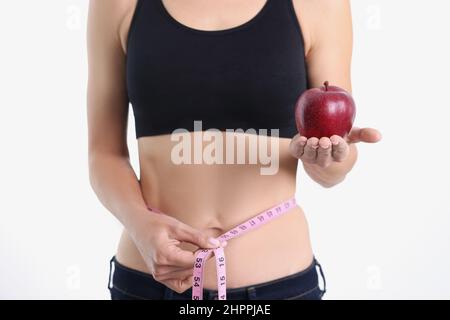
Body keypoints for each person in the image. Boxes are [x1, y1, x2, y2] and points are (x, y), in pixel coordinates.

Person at [87, 0, 381, 300]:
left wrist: (327, 159)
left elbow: (333, 166)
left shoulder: (319, 5)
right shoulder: (117, 4)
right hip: (148, 284)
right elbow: (104, 154)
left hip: (280, 287)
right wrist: (140, 224)